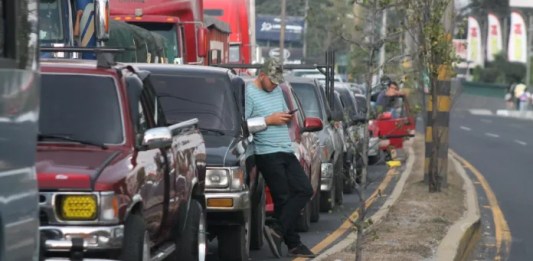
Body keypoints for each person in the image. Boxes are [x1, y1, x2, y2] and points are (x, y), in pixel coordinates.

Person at [245, 58, 315, 258]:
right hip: (266, 152)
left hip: (285, 149)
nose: (275, 85)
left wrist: (285, 117)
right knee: (283, 197)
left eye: (278, 81)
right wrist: (269, 120)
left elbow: (280, 113)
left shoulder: (276, 90)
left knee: (304, 189)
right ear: (262, 75)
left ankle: (277, 227)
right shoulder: (249, 93)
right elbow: (243, 124)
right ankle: (294, 244)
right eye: (272, 80)